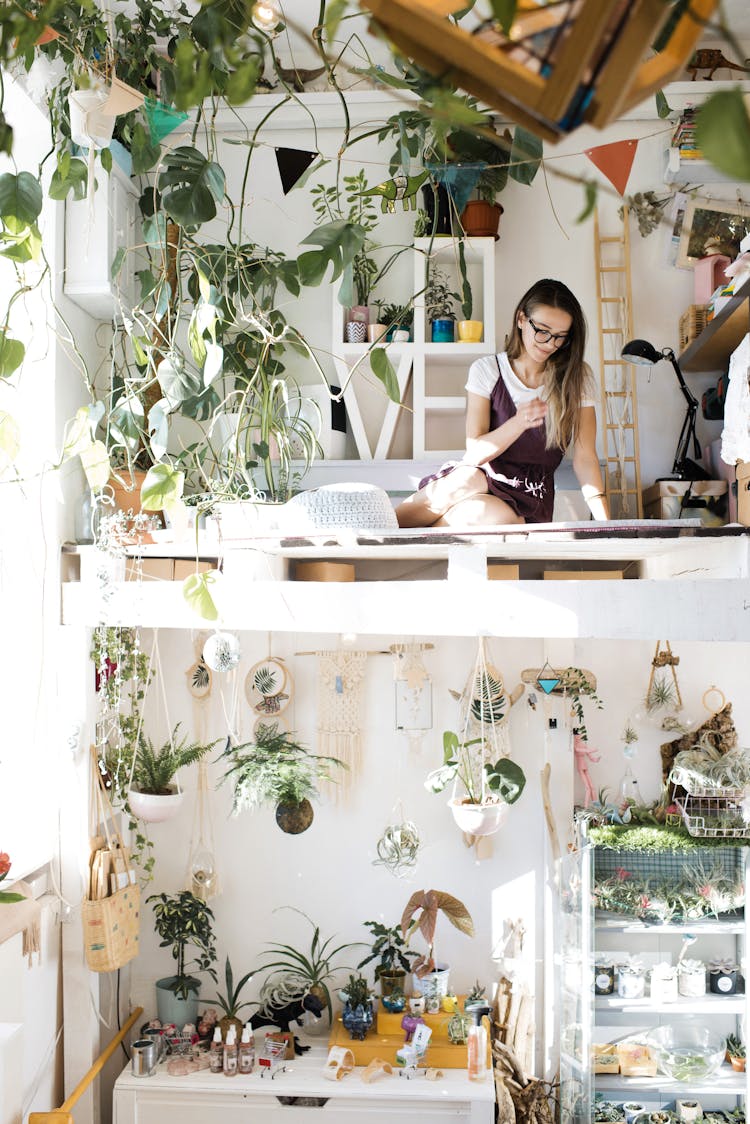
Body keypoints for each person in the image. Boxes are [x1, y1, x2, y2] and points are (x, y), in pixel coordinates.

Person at [395, 278, 609, 527]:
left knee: (498, 519)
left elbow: (585, 457)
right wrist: (518, 423)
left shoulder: (577, 378)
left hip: (529, 497)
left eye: (560, 337)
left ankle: (418, 534)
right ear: (521, 319)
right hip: (482, 479)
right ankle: (378, 528)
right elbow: (474, 453)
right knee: (468, 479)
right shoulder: (488, 370)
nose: (550, 344)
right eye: (542, 331)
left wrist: (607, 524)